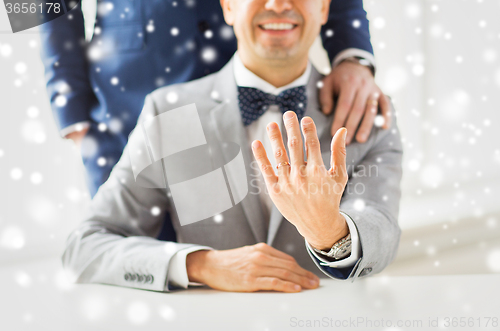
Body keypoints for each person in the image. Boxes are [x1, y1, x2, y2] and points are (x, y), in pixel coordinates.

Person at [62, 0, 402, 293]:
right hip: (121, 103)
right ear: (226, 5)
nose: (279, 4)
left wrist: (329, 232)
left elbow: (381, 231)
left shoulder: (366, 116)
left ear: (326, 6)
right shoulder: (168, 113)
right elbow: (85, 248)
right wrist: (200, 264)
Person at [39, 0, 389, 198]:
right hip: (124, 108)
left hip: (245, 100)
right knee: (134, 266)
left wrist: (351, 56)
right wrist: (71, 112)